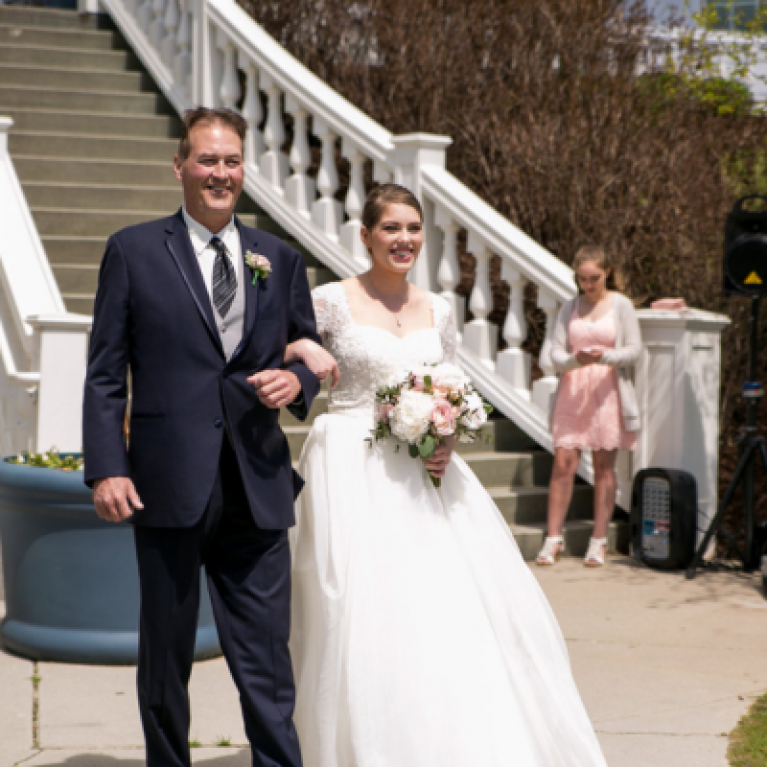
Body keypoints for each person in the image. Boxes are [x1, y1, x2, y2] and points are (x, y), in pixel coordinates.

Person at [284, 184, 608, 766]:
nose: (403, 239)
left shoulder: (439, 307)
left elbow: (452, 380)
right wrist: (305, 350)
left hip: (426, 474)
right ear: (366, 235)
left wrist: (448, 430)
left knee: (442, 608)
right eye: (391, 228)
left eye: (413, 228)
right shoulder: (329, 299)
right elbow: (282, 347)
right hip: (349, 468)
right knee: (356, 608)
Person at [82, 107, 323, 767]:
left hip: (257, 483)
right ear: (180, 166)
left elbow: (308, 351)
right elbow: (105, 373)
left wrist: (297, 382)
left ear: (244, 169)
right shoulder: (133, 250)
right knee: (165, 655)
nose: (220, 172)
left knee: (267, 660)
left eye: (231, 161)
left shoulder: (278, 256)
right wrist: (107, 467)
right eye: (207, 159)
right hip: (166, 484)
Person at [536, 244, 641, 568]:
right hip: (573, 390)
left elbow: (636, 350)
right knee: (563, 464)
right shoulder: (570, 307)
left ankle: (599, 541)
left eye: (594, 278)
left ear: (607, 272)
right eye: (582, 279)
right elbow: (552, 352)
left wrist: (604, 356)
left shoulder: (620, 305)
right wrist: (573, 360)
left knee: (604, 467)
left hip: (608, 392)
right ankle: (553, 538)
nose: (588, 285)